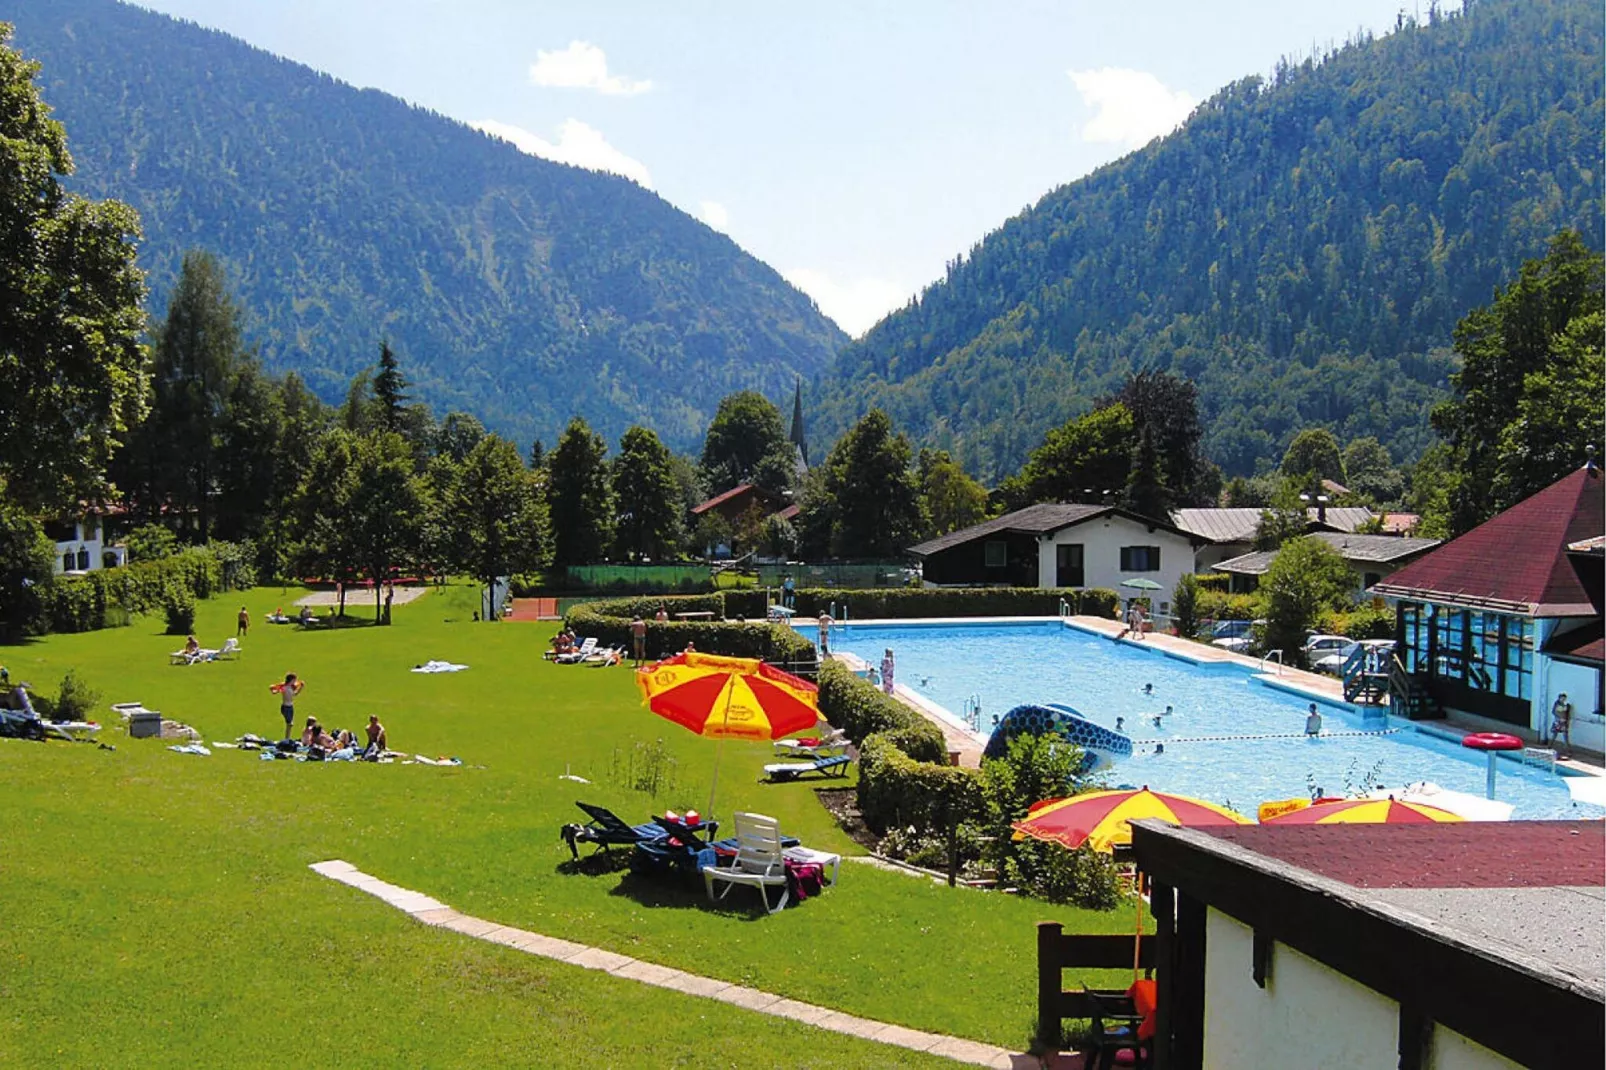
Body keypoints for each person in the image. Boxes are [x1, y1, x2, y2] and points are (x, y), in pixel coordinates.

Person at [273, 673, 305, 739]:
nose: (295, 681)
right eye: (294, 680)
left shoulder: (291, 687)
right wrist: (275, 690)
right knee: (290, 724)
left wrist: (301, 687)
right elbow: (276, 690)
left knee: (290, 724)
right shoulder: (284, 687)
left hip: (290, 707)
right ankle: (287, 739)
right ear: (291, 680)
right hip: (286, 707)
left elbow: (295, 694)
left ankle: (287, 738)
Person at [1550, 693, 1573, 757]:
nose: (1563, 699)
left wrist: (1567, 720)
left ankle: (1567, 749)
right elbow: (1553, 712)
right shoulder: (1556, 704)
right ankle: (1550, 746)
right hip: (1558, 721)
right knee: (1555, 734)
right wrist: (1559, 718)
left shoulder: (1566, 705)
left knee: (1565, 735)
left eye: (1564, 698)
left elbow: (1567, 713)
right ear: (1559, 698)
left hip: (1564, 722)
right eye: (1562, 698)